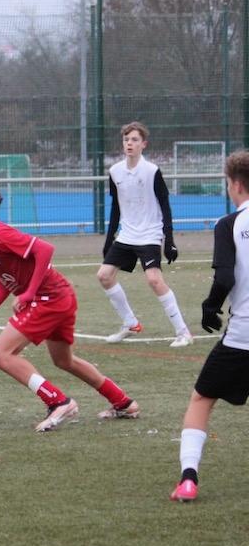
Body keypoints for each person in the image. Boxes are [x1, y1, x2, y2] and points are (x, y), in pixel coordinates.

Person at [0, 183, 140, 431]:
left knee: (1, 355)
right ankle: (124, 403)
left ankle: (58, 402)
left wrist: (30, 293)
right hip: (60, 296)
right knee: (64, 360)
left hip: (49, 299)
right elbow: (4, 283)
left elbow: (45, 249)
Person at [171, 150, 249, 502]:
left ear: (236, 186)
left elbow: (226, 278)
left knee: (202, 398)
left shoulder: (229, 224)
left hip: (242, 336)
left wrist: (210, 307)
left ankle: (188, 480)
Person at [98, 121, 193, 347]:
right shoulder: (115, 172)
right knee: (104, 275)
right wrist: (109, 239)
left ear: (144, 144)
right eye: (126, 140)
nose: (129, 143)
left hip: (149, 235)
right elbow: (116, 207)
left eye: (134, 140)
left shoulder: (152, 171)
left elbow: (165, 205)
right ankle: (130, 323)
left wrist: (169, 240)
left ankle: (184, 333)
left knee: (154, 280)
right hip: (127, 235)